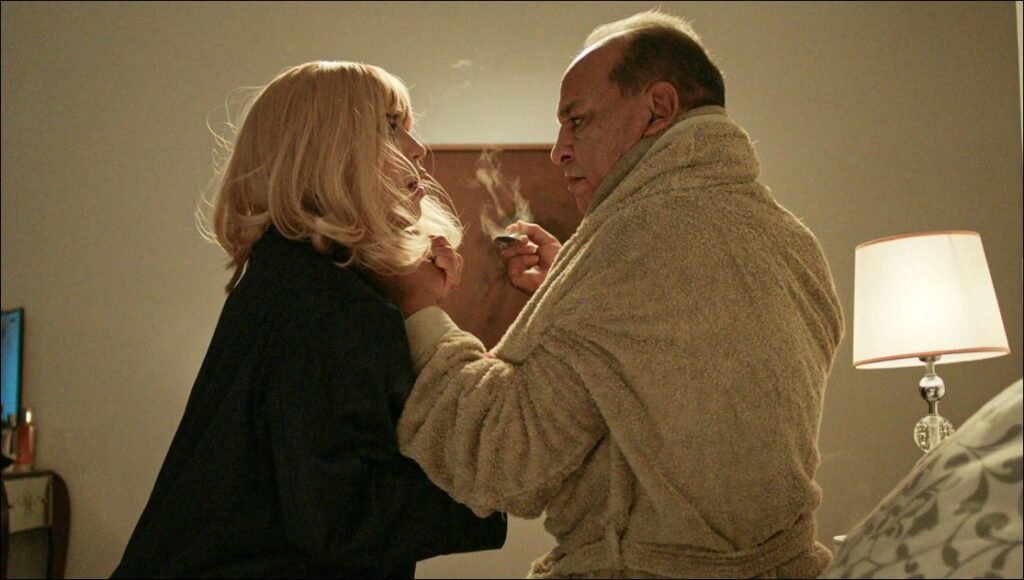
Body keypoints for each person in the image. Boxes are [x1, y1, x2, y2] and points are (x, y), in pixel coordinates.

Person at [380, 10, 844, 579]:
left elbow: (502, 459)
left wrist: (419, 308)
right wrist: (565, 292)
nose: (559, 150)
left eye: (576, 120)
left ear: (659, 108)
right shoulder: (789, 239)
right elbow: (676, 382)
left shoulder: (634, 242)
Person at [111, 61, 505, 579]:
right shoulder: (333, 307)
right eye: (390, 127)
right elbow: (343, 516)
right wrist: (496, 485)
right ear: (327, 155)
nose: (417, 149)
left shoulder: (289, 279)